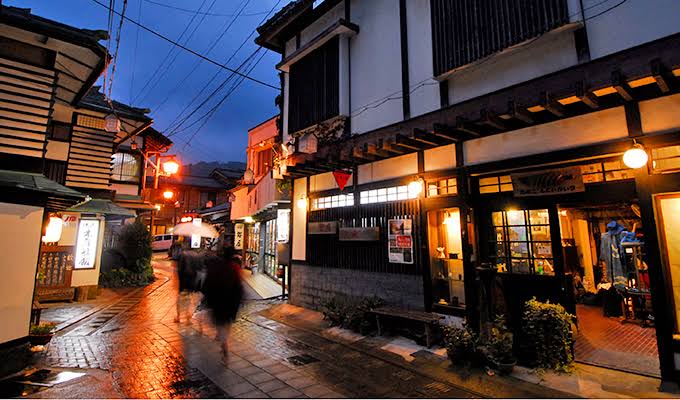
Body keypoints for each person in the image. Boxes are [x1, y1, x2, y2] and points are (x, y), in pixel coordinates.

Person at [201, 246, 243, 362]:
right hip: (230, 301)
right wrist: (239, 301)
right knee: (227, 322)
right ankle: (224, 341)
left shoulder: (216, 267)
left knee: (219, 323)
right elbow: (239, 286)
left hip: (217, 301)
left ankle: (223, 342)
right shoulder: (234, 267)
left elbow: (207, 284)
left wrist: (207, 298)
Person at [175, 250, 205, 324]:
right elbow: (200, 269)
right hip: (193, 280)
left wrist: (180, 281)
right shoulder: (197, 255)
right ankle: (188, 318)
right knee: (191, 298)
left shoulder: (183, 255)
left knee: (181, 298)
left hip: (184, 281)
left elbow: (179, 270)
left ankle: (178, 317)